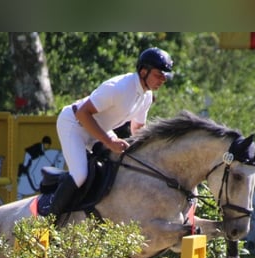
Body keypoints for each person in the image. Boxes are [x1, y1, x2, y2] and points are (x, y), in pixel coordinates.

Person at [50, 47, 174, 216]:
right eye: (159, 75)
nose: (162, 80)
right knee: (80, 175)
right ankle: (49, 221)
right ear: (144, 71)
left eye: (164, 76)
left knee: (121, 164)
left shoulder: (146, 96)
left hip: (98, 129)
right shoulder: (118, 88)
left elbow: (138, 129)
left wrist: (149, 153)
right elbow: (82, 113)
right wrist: (109, 142)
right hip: (74, 124)